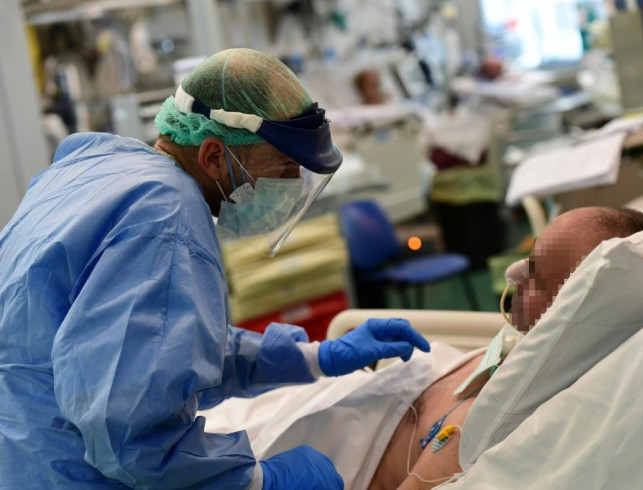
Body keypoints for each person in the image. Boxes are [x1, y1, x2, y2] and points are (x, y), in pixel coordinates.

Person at [0, 48, 431, 490]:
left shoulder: (102, 169)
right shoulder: (164, 217)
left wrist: (312, 357)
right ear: (212, 156)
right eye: (284, 164)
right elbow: (127, 433)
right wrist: (258, 480)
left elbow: (153, 347)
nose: (291, 182)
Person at [200, 206, 643, 489]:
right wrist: (312, 357)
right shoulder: (511, 354)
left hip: (257, 457)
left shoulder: (504, 415)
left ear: (578, 311)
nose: (513, 273)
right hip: (271, 414)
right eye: (530, 255)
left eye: (537, 273)